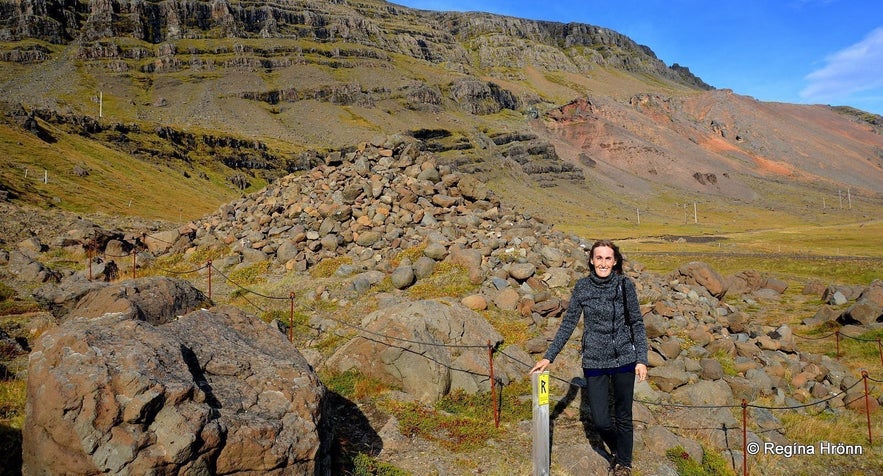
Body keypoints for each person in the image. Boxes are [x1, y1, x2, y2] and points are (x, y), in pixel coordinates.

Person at [530, 239, 648, 476]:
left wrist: (641, 359)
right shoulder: (582, 287)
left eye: (607, 258)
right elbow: (569, 323)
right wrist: (549, 357)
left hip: (624, 358)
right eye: (599, 258)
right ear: (592, 261)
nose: (603, 263)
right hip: (594, 360)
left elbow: (636, 322)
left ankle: (624, 463)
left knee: (624, 416)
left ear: (615, 262)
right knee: (601, 420)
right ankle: (618, 449)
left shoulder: (625, 286)